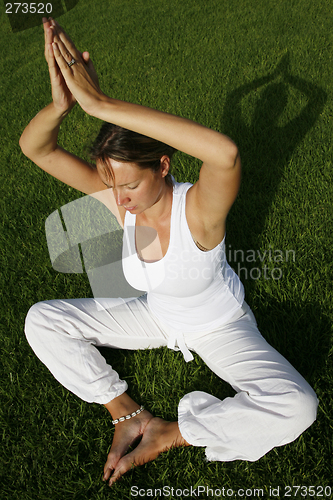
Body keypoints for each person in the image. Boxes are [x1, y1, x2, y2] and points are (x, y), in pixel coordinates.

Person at [20, 18, 318, 487]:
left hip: (219, 326)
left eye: (131, 184)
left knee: (298, 406)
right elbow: (36, 147)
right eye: (114, 186)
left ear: (163, 165)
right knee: (41, 319)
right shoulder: (125, 204)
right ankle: (126, 413)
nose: (119, 199)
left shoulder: (197, 210)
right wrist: (63, 104)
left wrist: (102, 104)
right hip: (156, 317)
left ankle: (170, 432)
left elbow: (225, 154)